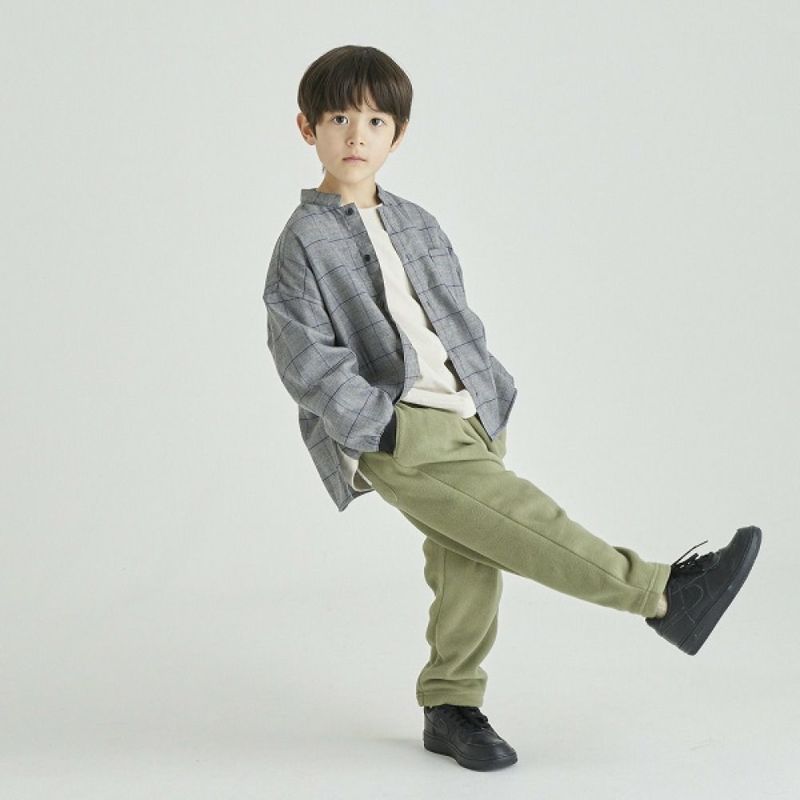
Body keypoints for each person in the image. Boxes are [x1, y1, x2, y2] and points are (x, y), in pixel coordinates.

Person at [262, 44, 762, 772]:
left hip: (471, 412)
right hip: (401, 428)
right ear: (307, 128)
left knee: (469, 558)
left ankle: (450, 706)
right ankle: (662, 595)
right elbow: (302, 355)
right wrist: (383, 428)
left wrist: (489, 393)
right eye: (338, 119)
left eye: (375, 121)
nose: (356, 136)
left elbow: (453, 316)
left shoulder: (419, 223)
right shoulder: (303, 240)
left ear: (398, 134)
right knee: (531, 525)